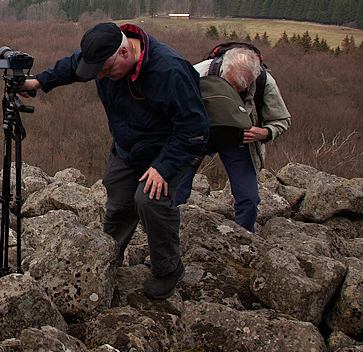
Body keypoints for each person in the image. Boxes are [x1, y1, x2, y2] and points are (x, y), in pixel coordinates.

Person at [20, 22, 209, 299]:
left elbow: (195, 129)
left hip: (170, 147)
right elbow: (74, 65)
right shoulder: (103, 55)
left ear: (124, 52)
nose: (102, 76)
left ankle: (168, 269)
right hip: (129, 145)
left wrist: (162, 167)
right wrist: (39, 81)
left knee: (150, 201)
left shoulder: (168, 70)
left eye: (106, 70)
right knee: (119, 199)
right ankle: (109, 257)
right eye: (98, 71)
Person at [173, 46, 291, 232]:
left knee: (248, 198)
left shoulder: (264, 83)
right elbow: (172, 108)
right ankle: (167, 237)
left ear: (254, 76)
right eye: (231, 84)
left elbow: (282, 119)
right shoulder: (200, 73)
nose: (235, 91)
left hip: (240, 139)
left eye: (242, 87)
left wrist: (265, 133)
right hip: (199, 135)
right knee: (175, 188)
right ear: (224, 70)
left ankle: (242, 241)